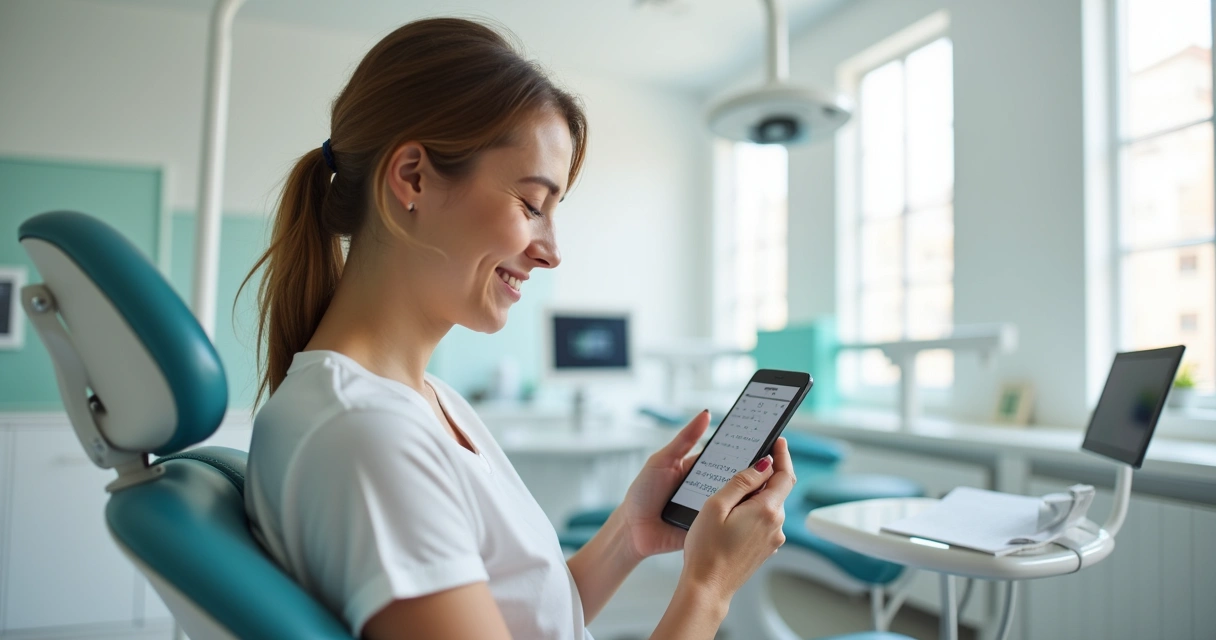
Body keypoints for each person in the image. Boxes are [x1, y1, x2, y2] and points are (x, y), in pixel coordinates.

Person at [241, 17, 795, 640]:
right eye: (533, 205)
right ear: (413, 177)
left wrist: (627, 534)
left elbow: (530, 618)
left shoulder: (422, 401)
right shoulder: (368, 439)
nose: (551, 251)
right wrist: (709, 589)